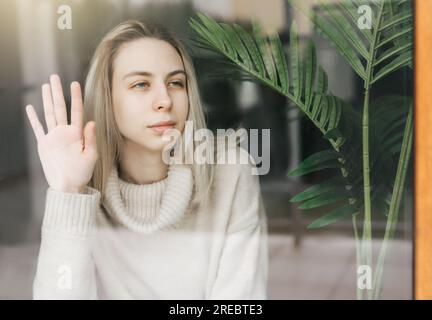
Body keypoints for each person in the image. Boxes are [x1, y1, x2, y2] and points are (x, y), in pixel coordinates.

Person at [25, 20, 268, 299]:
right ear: (107, 98)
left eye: (176, 83)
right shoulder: (83, 185)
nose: (164, 100)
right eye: (141, 84)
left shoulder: (230, 169)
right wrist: (68, 193)